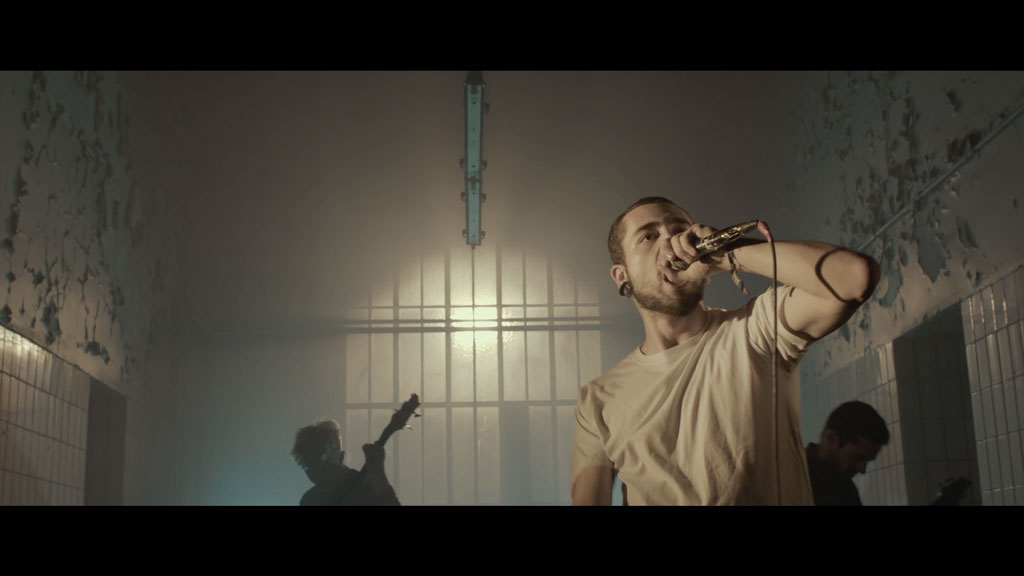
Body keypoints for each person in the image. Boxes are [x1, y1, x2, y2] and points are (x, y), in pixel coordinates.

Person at [571, 196, 880, 505]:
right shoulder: (599, 400)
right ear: (622, 276)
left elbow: (855, 278)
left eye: (679, 229)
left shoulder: (758, 328)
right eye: (648, 236)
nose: (670, 241)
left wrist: (725, 254)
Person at [292, 419, 400, 506]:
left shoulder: (368, 487)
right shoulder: (309, 500)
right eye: (308, 469)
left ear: (341, 457)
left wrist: (379, 475)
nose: (316, 477)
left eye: (322, 470)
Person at [805, 401, 889, 506]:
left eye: (867, 460)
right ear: (831, 439)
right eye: (858, 457)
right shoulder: (795, 476)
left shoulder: (846, 490)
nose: (862, 470)